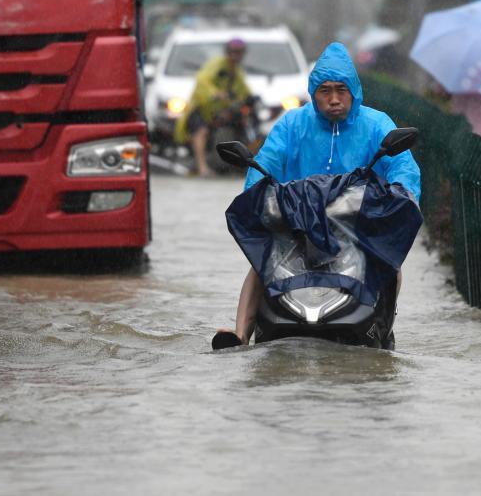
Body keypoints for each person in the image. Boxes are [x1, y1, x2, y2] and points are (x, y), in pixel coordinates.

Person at [222, 42, 422, 345]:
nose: (333, 100)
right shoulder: (292, 124)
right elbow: (266, 163)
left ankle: (382, 327)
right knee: (260, 264)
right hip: (295, 221)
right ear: (313, 93)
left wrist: (403, 195)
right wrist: (255, 196)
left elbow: (403, 168)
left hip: (357, 225)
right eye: (324, 91)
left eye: (341, 91)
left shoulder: (376, 124)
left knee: (389, 266)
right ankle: (240, 335)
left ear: (354, 91)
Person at [174, 39, 252, 177]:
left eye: (239, 52)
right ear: (227, 52)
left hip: (218, 112)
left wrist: (250, 98)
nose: (236, 55)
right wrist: (215, 93)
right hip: (201, 108)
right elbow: (202, 80)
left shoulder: (236, 71)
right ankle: (202, 167)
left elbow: (243, 90)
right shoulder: (217, 65)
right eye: (233, 52)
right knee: (201, 131)